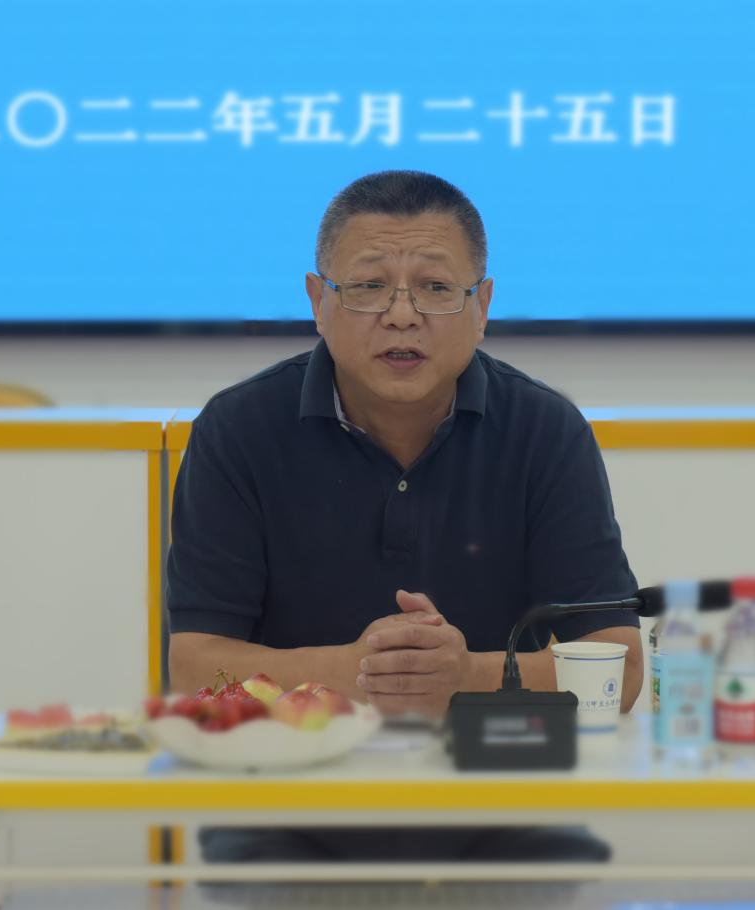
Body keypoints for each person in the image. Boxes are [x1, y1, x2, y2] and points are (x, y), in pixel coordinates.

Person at [166, 170, 642, 862]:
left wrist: (463, 676)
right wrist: (357, 671)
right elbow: (194, 668)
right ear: (317, 301)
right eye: (368, 286)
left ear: (482, 305)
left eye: (436, 288)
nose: (401, 315)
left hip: (506, 806)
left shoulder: (546, 431)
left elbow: (620, 668)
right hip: (286, 809)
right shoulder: (238, 430)